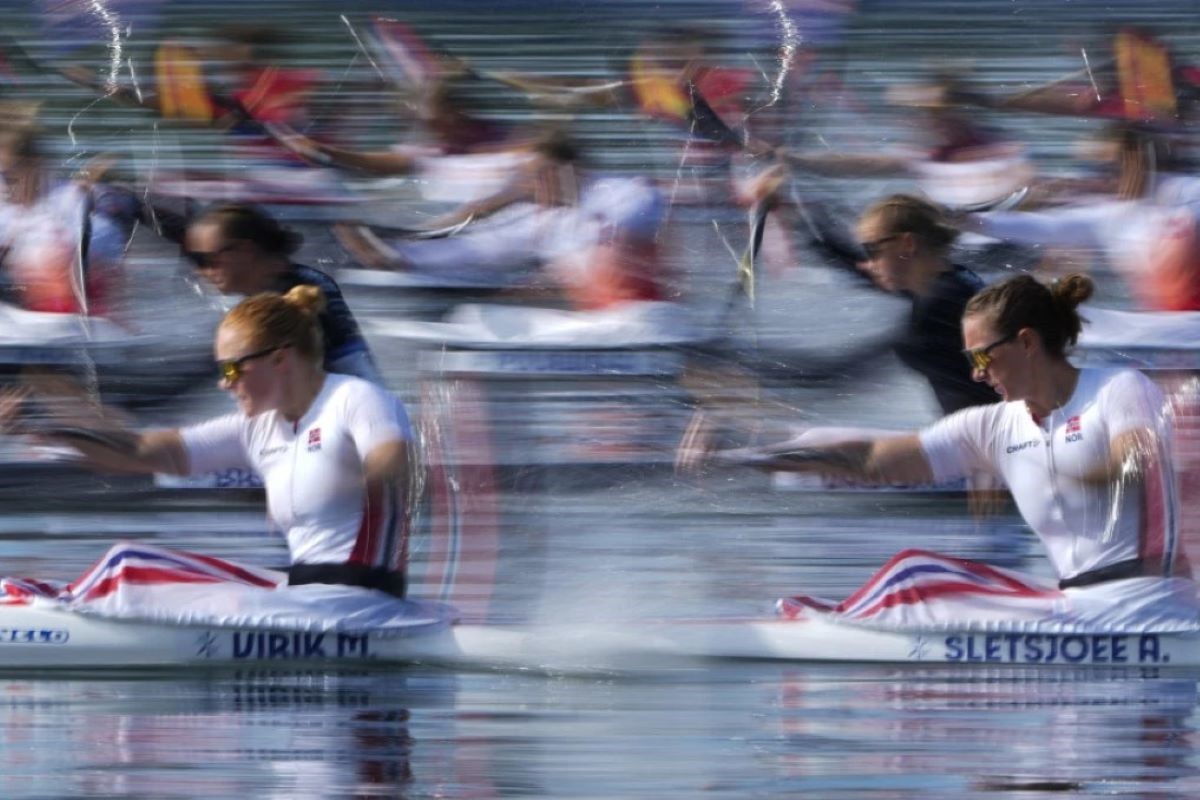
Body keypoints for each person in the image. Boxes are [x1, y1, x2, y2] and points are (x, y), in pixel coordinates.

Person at [727, 273, 1197, 628]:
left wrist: (1079, 475)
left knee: (915, 577)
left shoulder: (1119, 388)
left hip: (1149, 604)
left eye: (980, 356)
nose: (975, 374)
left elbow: (1137, 460)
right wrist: (756, 456)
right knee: (916, 574)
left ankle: (824, 626)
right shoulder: (993, 426)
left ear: (1027, 342)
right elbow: (874, 458)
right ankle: (835, 622)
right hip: (1080, 611)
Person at [16, 286, 413, 598]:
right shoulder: (256, 427)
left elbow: (392, 460)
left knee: (127, 564)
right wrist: (45, 426)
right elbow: (139, 451)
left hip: (361, 598)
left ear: (281, 359)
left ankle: (45, 615)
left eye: (232, 367)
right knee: (130, 567)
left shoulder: (355, 398)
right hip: (307, 594)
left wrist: (349, 481)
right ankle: (40, 601)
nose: (225, 382)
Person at [184, 202, 384, 383]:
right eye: (194, 261)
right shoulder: (257, 297)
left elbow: (355, 371)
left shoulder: (307, 294)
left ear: (244, 250)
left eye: (205, 260)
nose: (200, 271)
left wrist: (230, 372)